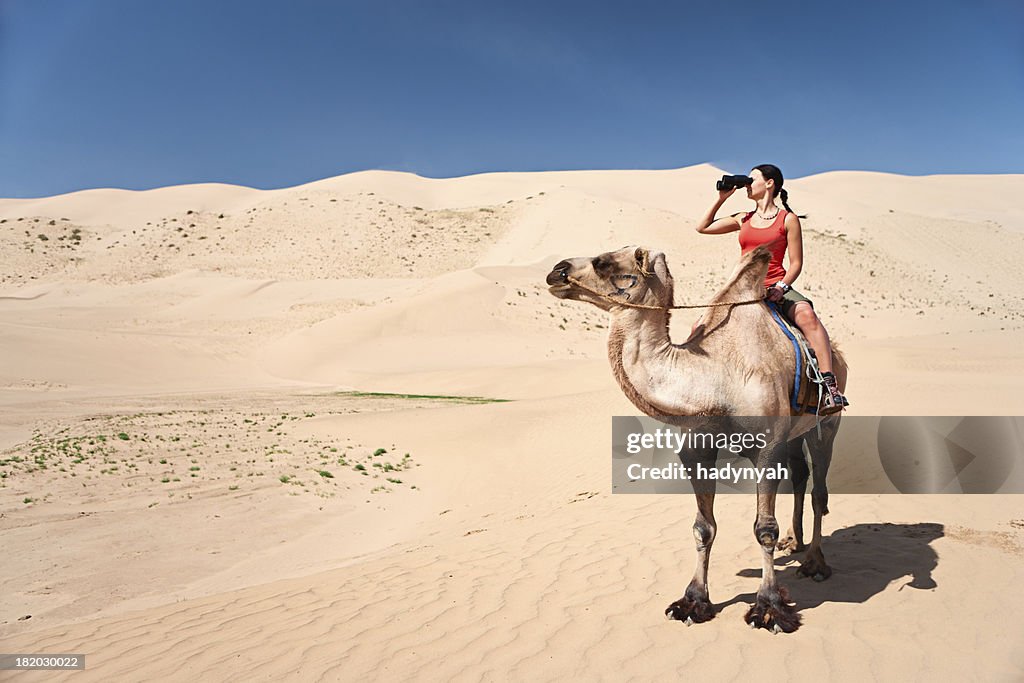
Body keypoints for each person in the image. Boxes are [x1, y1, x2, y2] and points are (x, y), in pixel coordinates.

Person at [694, 164, 847, 414]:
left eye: (751, 179)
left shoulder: (787, 220)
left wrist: (782, 287)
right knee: (699, 326)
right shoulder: (743, 218)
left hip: (776, 286)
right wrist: (721, 199)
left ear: (769, 183)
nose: (747, 184)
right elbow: (702, 227)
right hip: (742, 291)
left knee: (808, 317)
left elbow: (796, 263)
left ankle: (829, 387)